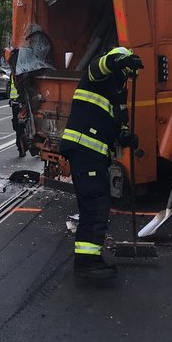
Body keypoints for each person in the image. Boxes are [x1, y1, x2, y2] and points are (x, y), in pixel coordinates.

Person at [60, 46, 144, 281]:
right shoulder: (98, 76)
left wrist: (125, 136)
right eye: (126, 71)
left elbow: (120, 123)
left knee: (97, 204)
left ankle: (90, 259)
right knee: (95, 204)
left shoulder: (119, 93)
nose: (128, 77)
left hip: (94, 153)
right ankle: (87, 262)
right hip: (84, 148)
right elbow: (101, 65)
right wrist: (118, 60)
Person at [8, 48, 28, 157]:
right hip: (20, 102)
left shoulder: (17, 70)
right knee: (19, 126)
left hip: (19, 102)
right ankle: (22, 147)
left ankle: (21, 147)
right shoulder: (20, 70)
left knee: (19, 126)